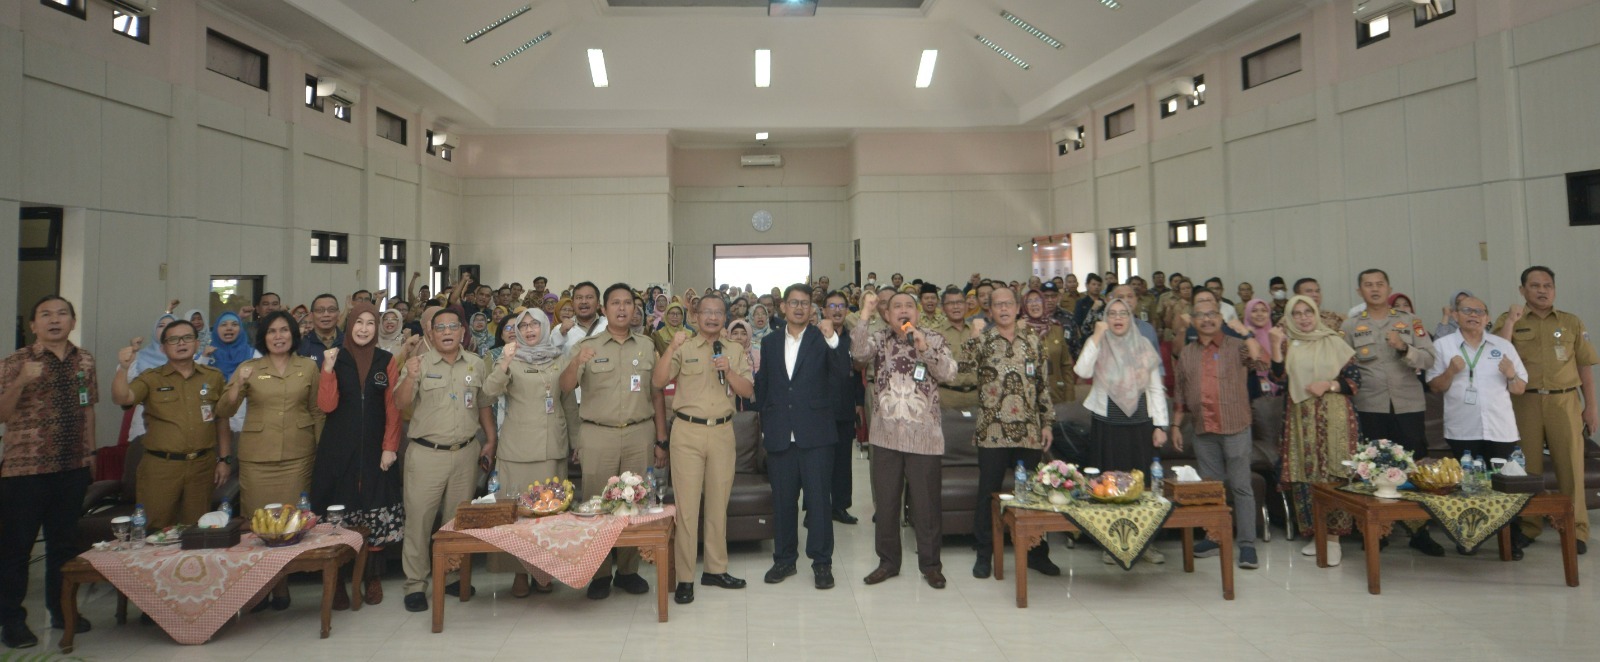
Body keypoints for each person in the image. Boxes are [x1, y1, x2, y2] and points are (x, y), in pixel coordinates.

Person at [560, 284, 667, 600]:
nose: (622, 309)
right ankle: (600, 573)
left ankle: (628, 571)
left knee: (634, 503)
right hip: (598, 433)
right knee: (597, 503)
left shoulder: (647, 346)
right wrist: (577, 361)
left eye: (628, 304)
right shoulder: (586, 345)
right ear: (603, 310)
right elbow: (565, 387)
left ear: (636, 310)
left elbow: (656, 393)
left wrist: (661, 438)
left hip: (639, 433)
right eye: (615, 303)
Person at [0, 297, 97, 647]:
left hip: (71, 468)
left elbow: (88, 407)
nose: (54, 320)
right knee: (16, 550)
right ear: (33, 325)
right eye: (46, 315)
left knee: (63, 547)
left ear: (72, 321)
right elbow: (2, 413)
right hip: (24, 472)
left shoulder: (84, 360)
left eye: (62, 314)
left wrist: (91, 452)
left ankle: (61, 611)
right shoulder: (15, 362)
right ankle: (11, 620)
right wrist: (21, 382)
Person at [217, 310, 323, 611]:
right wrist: (239, 384)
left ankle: (283, 585)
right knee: (258, 525)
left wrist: (320, 449)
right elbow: (224, 407)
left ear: (293, 334)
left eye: (284, 330)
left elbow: (316, 411)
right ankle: (260, 586)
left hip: (298, 454)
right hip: (258, 457)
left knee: (292, 522)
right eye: (272, 332)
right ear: (263, 337)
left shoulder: (307, 368)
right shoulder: (249, 366)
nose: (279, 336)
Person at [394, 307, 496, 612]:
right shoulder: (418, 364)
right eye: (441, 327)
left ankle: (452, 577)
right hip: (427, 454)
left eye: (454, 326)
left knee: (456, 521)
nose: (448, 332)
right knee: (420, 521)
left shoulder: (477, 364)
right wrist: (410, 379)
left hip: (465, 453)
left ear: (463, 332)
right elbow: (400, 404)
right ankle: (415, 584)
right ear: (431, 333)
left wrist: (490, 440)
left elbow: (483, 406)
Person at [852, 290, 956, 589]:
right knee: (886, 505)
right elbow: (858, 355)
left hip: (924, 439)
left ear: (918, 313)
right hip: (885, 437)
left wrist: (924, 348)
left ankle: (931, 565)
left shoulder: (932, 338)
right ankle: (888, 562)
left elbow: (949, 372)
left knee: (926, 506)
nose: (902, 310)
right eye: (896, 306)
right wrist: (864, 313)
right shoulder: (880, 338)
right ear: (887, 314)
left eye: (908, 306)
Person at [652, 296, 752, 605]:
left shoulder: (734, 350)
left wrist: (729, 371)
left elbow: (747, 391)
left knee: (718, 504)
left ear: (725, 316)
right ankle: (685, 577)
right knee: (687, 508)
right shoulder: (683, 346)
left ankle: (715, 569)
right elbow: (658, 381)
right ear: (696, 316)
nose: (712, 317)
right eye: (706, 312)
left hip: (722, 431)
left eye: (718, 312)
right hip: (687, 432)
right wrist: (671, 347)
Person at [1341, 269, 1445, 556]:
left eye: (1379, 284)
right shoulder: (1350, 326)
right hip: (1369, 405)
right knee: (1371, 467)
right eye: (1368, 285)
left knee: (1412, 468)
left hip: (1408, 405)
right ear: (1359, 290)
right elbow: (1343, 366)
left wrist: (1404, 348)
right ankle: (1377, 531)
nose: (1374, 289)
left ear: (1389, 288)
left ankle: (1418, 530)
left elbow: (1429, 357)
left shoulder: (1410, 322)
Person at [1496, 266, 1597, 554]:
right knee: (1527, 470)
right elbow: (1495, 354)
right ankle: (1530, 526)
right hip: (1524, 400)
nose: (1542, 290)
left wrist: (1591, 406)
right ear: (1522, 290)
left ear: (1554, 289)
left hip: (1564, 401)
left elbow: (1584, 366)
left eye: (1548, 285)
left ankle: (1575, 529)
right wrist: (1512, 322)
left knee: (1571, 467)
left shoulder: (1571, 322)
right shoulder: (1510, 320)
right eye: (1535, 285)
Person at [311, 302, 406, 608]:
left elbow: (393, 406)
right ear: (348, 325)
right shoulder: (336, 358)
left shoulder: (386, 359)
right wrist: (326, 369)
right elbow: (326, 406)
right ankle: (338, 583)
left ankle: (372, 579)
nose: (364, 328)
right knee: (341, 513)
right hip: (339, 449)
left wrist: (390, 446)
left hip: (377, 449)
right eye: (358, 323)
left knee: (374, 511)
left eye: (370, 323)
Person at [755, 284, 849, 590]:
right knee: (783, 501)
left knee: (819, 502)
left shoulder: (822, 339)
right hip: (781, 434)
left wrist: (832, 336)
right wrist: (768, 423)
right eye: (793, 303)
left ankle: (822, 563)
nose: (798, 308)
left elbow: (841, 372)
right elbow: (764, 388)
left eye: (804, 303)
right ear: (782, 307)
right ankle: (784, 559)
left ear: (812, 308)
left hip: (816, 434)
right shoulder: (769, 343)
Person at [964, 287, 1058, 580]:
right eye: (997, 305)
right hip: (992, 432)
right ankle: (984, 555)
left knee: (1032, 494)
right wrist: (973, 337)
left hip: (1029, 431)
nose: (1003, 309)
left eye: (1008, 304)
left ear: (1018, 308)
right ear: (989, 310)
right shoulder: (983, 341)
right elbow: (962, 370)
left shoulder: (1033, 340)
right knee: (987, 496)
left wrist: (1047, 423)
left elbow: (1042, 385)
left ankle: (1037, 553)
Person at [483, 308, 574, 597]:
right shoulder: (508, 357)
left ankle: (543, 571)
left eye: (536, 324)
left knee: (549, 514)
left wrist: (578, 441)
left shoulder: (560, 358)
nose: (530, 329)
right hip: (517, 446)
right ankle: (519, 573)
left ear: (546, 326)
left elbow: (569, 402)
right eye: (524, 325)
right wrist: (505, 362)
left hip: (551, 445)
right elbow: (488, 392)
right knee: (517, 516)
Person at [1427, 294, 1527, 555]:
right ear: (1456, 315)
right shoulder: (1444, 346)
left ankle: (1512, 540)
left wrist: (1510, 374)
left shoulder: (1503, 346)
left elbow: (1520, 388)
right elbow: (1435, 387)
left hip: (1500, 429)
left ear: (1488, 318)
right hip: (1463, 429)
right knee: (1467, 488)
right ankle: (1469, 539)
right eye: (1467, 310)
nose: (1474, 315)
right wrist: (1450, 371)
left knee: (1506, 488)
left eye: (1479, 311)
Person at [1073, 298, 1169, 564]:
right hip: (1107, 425)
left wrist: (1161, 425)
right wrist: (1096, 336)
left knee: (1142, 486)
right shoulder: (1100, 344)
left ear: (1131, 318)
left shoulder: (1144, 346)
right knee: (1109, 487)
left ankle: (1145, 544)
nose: (1117, 318)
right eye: (1112, 314)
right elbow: (1081, 370)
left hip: (1140, 426)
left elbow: (1155, 389)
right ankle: (1112, 543)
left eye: (1123, 314)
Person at [112, 320, 231, 531]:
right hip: (161, 468)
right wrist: (123, 368)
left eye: (187, 338)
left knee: (197, 530)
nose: (181, 343)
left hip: (201, 467)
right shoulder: (151, 378)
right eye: (173, 339)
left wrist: (224, 459)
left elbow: (222, 419)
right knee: (155, 532)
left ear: (196, 344)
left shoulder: (213, 377)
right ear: (163, 347)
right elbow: (123, 398)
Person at [1170, 297, 1263, 570]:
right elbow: (1180, 392)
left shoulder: (1237, 346)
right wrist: (1176, 425)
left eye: (1212, 314)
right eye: (1201, 315)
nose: (1207, 319)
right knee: (1212, 487)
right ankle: (1214, 538)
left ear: (1221, 319)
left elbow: (1259, 360)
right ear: (1193, 321)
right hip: (1202, 429)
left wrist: (1247, 332)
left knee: (1241, 486)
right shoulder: (1187, 352)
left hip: (1235, 426)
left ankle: (1247, 546)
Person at [1270, 296, 1360, 565]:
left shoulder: (1333, 340)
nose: (1304, 318)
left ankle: (1334, 539)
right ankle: (1315, 533)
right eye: (1296, 313)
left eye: (1308, 312)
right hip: (1301, 418)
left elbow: (1354, 380)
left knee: (1335, 472)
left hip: (1335, 417)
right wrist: (1275, 344)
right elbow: (1278, 376)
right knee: (1305, 474)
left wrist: (1329, 385)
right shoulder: (1288, 343)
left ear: (1316, 314)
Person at [820, 291, 863, 525]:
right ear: (824, 310)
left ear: (847, 310)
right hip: (819, 409)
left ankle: (840, 507)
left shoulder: (853, 339)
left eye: (841, 306)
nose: (837, 310)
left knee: (843, 462)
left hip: (845, 407)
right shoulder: (815, 337)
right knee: (818, 462)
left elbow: (857, 375)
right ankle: (815, 509)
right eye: (832, 306)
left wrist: (858, 403)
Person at [1021, 289, 1075, 405]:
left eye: (1038, 300)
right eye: (1029, 301)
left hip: (1056, 394)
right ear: (1024, 306)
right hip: (1028, 398)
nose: (1034, 304)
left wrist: (1069, 397)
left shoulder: (1056, 328)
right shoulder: (1018, 331)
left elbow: (1066, 365)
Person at [933, 287, 980, 411]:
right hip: (947, 398)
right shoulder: (935, 334)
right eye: (950, 303)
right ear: (942, 308)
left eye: (959, 302)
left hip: (976, 397)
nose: (956, 307)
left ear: (965, 305)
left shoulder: (978, 332)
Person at [299, 294, 343, 366]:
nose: (326, 314)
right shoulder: (302, 343)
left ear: (338, 314)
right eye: (320, 310)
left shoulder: (348, 342)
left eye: (331, 310)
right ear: (311, 316)